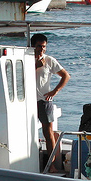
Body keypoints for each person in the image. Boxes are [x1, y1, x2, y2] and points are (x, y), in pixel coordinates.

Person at [31, 33, 71, 173]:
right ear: (32, 46)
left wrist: (55, 91)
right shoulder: (24, 60)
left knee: (48, 133)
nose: (41, 50)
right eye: (38, 46)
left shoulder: (49, 61)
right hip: (26, 102)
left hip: (43, 100)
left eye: (43, 47)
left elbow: (66, 75)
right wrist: (35, 66)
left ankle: (51, 165)